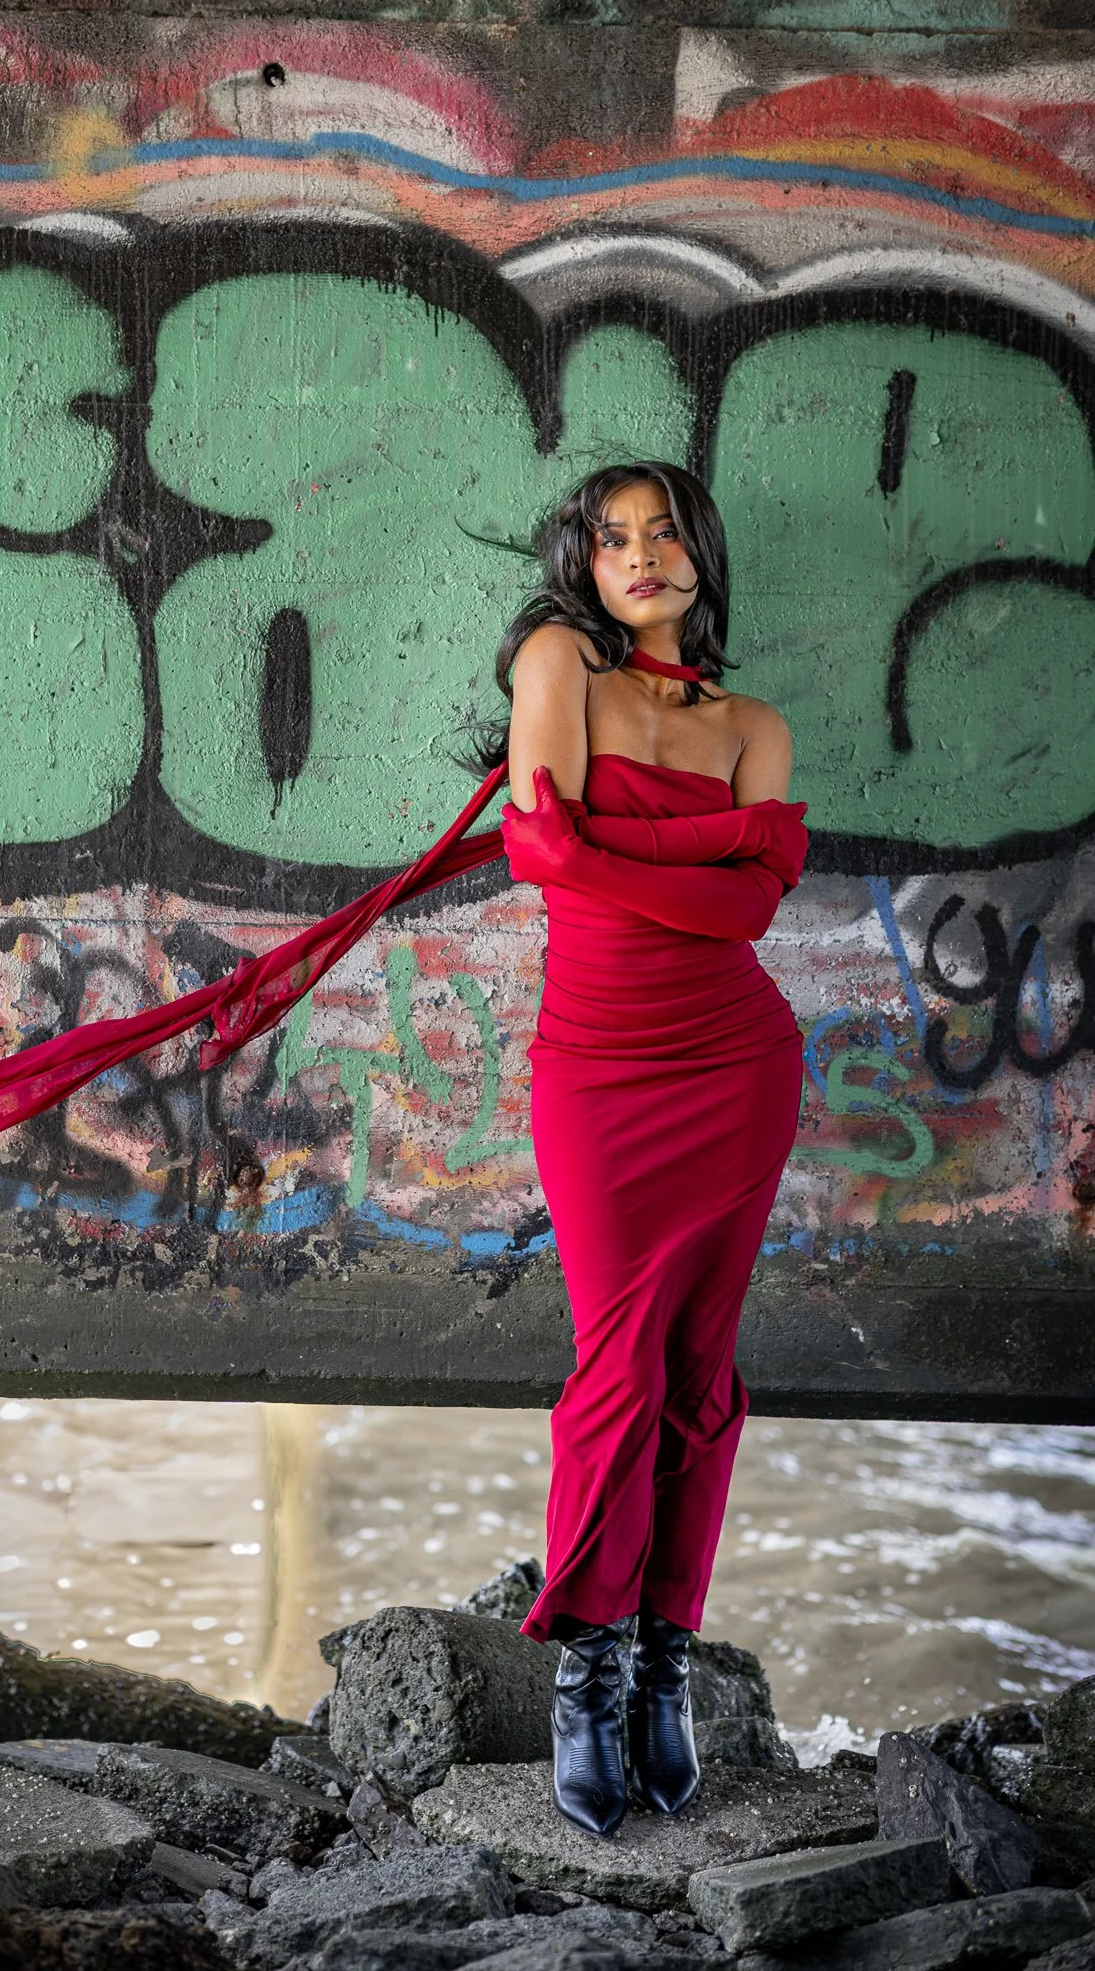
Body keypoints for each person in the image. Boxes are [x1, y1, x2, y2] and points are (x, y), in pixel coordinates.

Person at [471, 460, 809, 1840]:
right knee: (614, 1369)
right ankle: (588, 1677)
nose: (641, 553)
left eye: (664, 530)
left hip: (736, 1069)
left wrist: (604, 855)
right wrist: (711, 856)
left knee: (697, 1377)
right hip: (598, 1074)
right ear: (584, 565)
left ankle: (662, 1670)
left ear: (699, 554)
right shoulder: (560, 662)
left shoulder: (756, 724)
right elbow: (534, 864)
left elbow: (743, 926)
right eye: (613, 539)